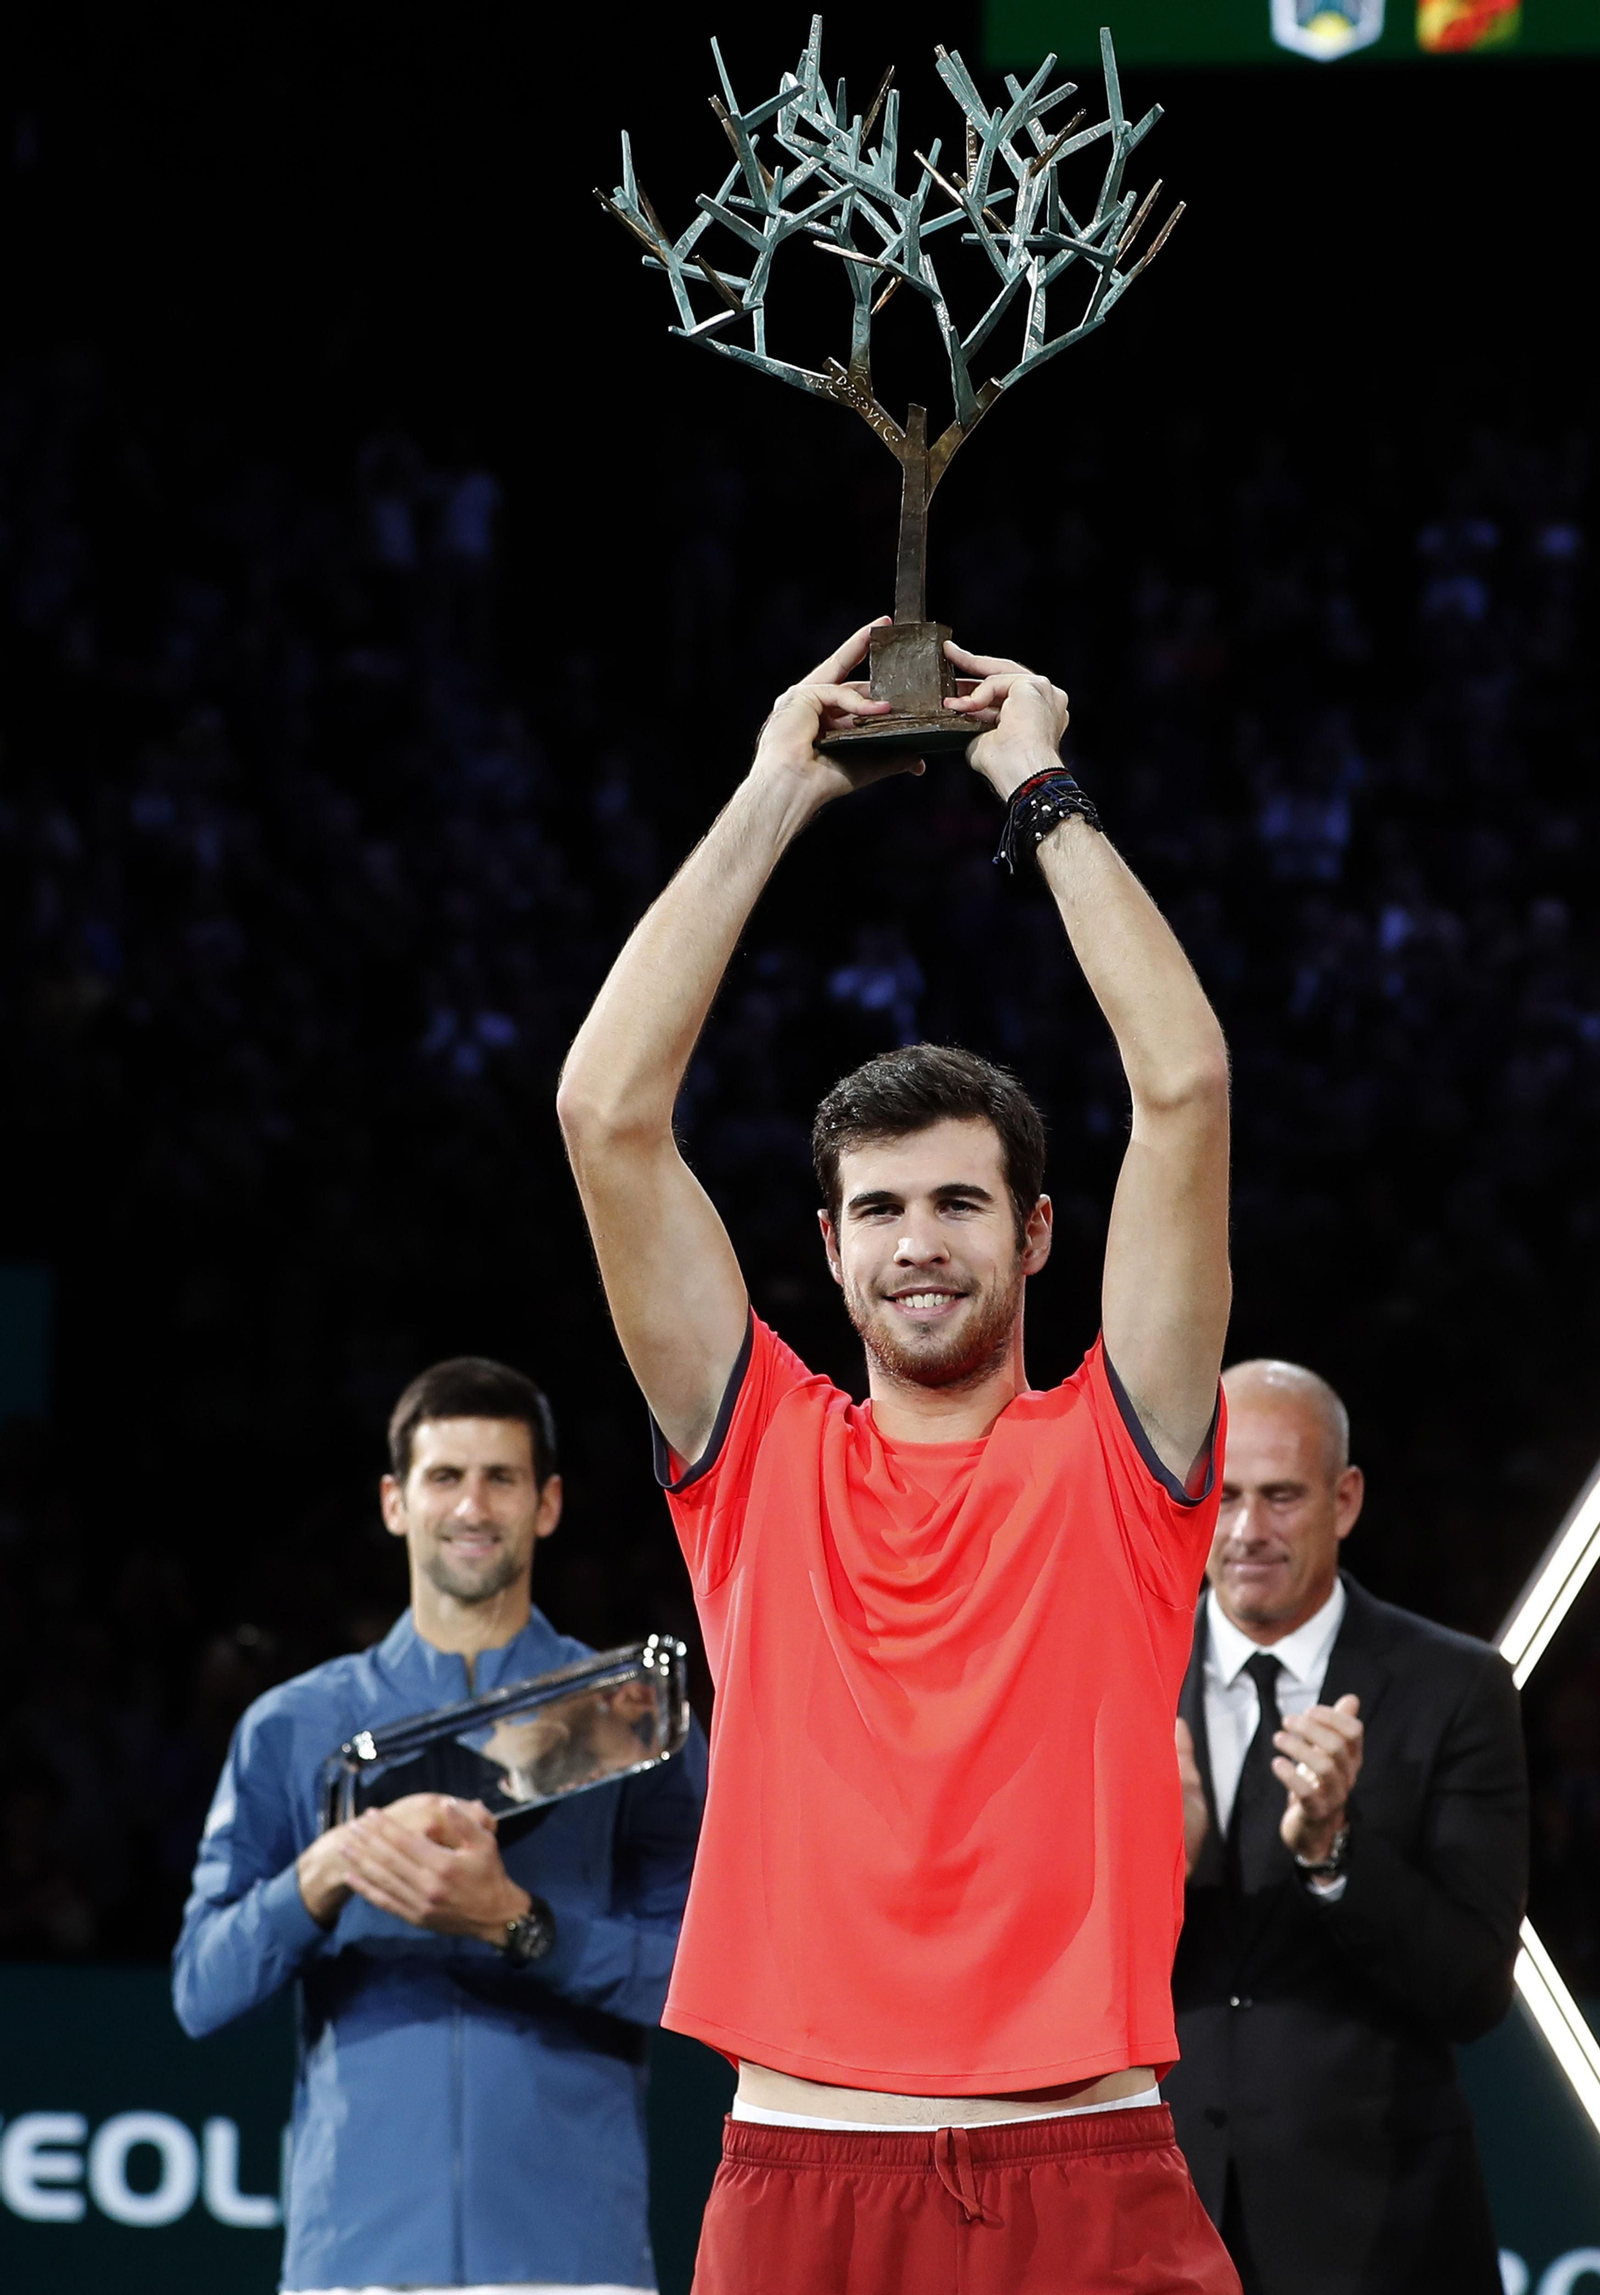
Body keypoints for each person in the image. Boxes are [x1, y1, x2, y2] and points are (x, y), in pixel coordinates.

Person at [557, 624, 1240, 2294]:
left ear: (1036, 1235)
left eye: (956, 1203)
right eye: (879, 1209)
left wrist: (1046, 792)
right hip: (804, 2187)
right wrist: (777, 786)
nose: (917, 1243)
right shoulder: (755, 1450)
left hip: (1092, 2169)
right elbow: (606, 1113)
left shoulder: (1122, 1450)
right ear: (830, 1246)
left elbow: (1187, 1084)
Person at [172, 1356, 706, 2295]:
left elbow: (708, 1985)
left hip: (571, 2260)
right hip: (359, 2261)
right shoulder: (293, 1727)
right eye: (445, 1477)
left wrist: (519, 1924)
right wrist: (324, 1872)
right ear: (394, 1501)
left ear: (547, 1504)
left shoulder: (630, 1717)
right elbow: (201, 1991)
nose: (472, 1506)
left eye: (501, 1477)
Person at [1165, 1358, 1527, 2295]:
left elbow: (1474, 1988)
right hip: (1155, 2220)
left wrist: (1333, 1854)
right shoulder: (1119, 1674)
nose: (1247, 1531)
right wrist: (1156, 1870)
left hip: (1379, 2234)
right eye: (1227, 1494)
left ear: (1346, 1497)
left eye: (1281, 1497)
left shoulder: (1454, 1686)